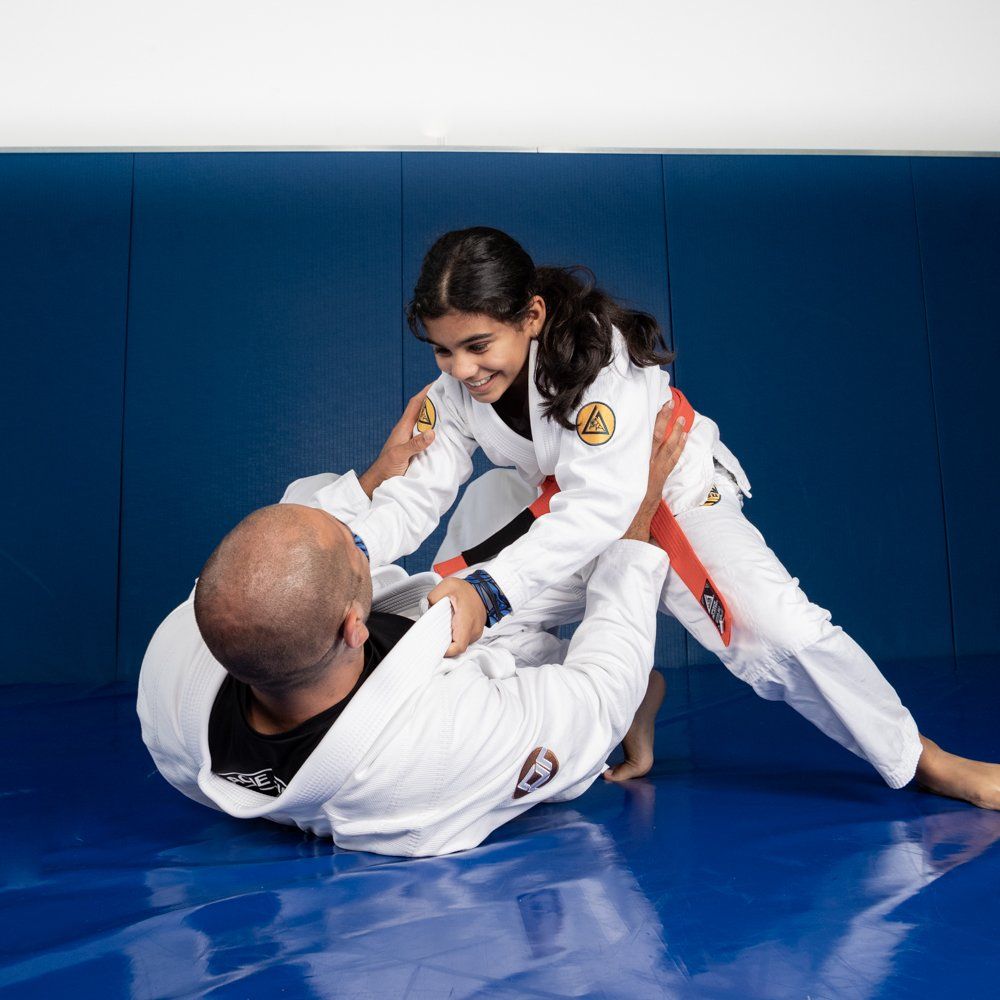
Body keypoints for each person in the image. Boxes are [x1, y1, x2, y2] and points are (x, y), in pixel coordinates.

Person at [313, 226, 999, 807]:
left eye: (478, 344)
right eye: (443, 349)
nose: (462, 368)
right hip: (566, 514)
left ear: (532, 315)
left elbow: (605, 504)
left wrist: (490, 589)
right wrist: (348, 557)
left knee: (780, 634)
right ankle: (630, 687)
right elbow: (418, 493)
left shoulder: (597, 359)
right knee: (461, 628)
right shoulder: (453, 393)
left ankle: (921, 756)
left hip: (669, 497)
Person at [136, 399, 688, 856]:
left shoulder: (181, 655)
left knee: (494, 499)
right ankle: (639, 696)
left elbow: (284, 549)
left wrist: (374, 478)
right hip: (484, 716)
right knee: (604, 649)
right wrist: (636, 516)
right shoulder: (443, 745)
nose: (365, 541)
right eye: (358, 550)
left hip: (425, 638)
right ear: (353, 626)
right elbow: (600, 693)